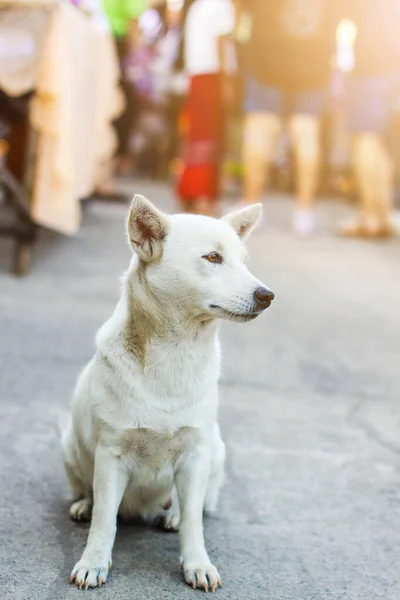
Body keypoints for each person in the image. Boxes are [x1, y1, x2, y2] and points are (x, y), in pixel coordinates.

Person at [237, 1, 345, 235]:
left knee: (261, 128)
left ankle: (250, 206)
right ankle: (304, 212)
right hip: (313, 62)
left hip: (266, 58)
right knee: (306, 132)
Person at [338, 0, 400, 238]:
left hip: (372, 68)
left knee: (366, 139)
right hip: (392, 68)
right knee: (382, 142)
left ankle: (371, 216)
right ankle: (382, 214)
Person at [176, 0, 235, 216]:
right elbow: (222, 43)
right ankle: (203, 197)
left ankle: (190, 193)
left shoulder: (197, 6)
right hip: (212, 76)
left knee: (196, 136)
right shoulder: (221, 5)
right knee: (208, 137)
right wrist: (228, 80)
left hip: (196, 75)